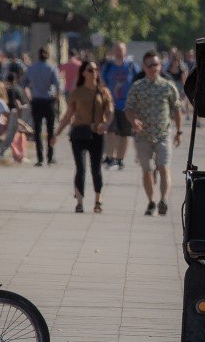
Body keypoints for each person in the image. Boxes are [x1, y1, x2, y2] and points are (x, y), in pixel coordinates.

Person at [123, 51, 182, 216]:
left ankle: (163, 199)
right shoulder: (137, 87)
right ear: (144, 67)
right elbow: (128, 108)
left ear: (160, 66)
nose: (152, 68)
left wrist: (179, 131)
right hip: (143, 136)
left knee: (163, 167)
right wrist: (133, 120)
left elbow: (177, 110)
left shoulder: (168, 86)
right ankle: (150, 202)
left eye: (155, 64)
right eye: (149, 65)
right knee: (147, 170)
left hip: (163, 134)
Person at [52, 60, 113, 213]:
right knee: (81, 168)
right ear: (83, 73)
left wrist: (106, 124)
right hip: (79, 132)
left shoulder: (103, 92)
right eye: (90, 70)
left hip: (97, 134)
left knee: (96, 168)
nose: (94, 73)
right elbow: (68, 116)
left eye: (95, 70)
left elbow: (110, 112)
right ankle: (79, 202)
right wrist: (56, 133)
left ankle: (98, 201)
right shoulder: (77, 92)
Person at [100, 42, 139, 170]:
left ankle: (120, 159)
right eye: (116, 49)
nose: (118, 52)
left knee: (124, 134)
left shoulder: (132, 66)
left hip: (127, 106)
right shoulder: (108, 66)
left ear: (125, 51)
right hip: (110, 105)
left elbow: (138, 83)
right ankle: (110, 157)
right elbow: (102, 83)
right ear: (113, 51)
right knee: (110, 131)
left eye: (121, 49)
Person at [25, 47, 62, 166]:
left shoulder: (32, 68)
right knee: (51, 130)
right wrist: (56, 100)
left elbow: (24, 84)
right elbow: (58, 86)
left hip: (36, 101)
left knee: (37, 130)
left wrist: (30, 97)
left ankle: (40, 158)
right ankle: (50, 157)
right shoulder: (51, 68)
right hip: (48, 101)